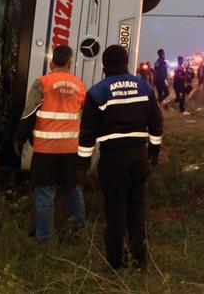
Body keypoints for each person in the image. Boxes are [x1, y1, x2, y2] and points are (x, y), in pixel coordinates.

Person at [78, 45, 164, 270]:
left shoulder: (97, 92)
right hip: (138, 156)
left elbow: (87, 133)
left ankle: (116, 261)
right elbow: (156, 122)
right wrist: (154, 150)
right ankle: (140, 258)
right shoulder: (144, 87)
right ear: (126, 63)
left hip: (113, 158)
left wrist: (83, 164)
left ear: (105, 66)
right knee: (137, 206)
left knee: (115, 209)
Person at [15, 45, 87, 243]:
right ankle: (78, 232)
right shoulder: (79, 85)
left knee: (45, 192)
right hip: (70, 149)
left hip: (46, 149)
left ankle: (44, 238)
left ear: (51, 62)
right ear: (70, 64)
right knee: (72, 189)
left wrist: (20, 139)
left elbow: (29, 113)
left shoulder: (43, 83)